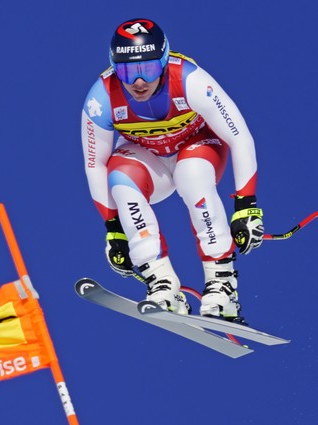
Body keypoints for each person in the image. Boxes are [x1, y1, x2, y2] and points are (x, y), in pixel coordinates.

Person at [80, 18, 264, 322]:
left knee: (191, 175)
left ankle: (222, 285)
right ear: (114, 67)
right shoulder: (101, 99)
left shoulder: (190, 80)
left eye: (148, 69)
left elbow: (239, 136)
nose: (138, 82)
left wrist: (246, 206)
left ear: (164, 62)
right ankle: (162, 284)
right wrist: (114, 230)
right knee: (119, 176)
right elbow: (94, 164)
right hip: (151, 161)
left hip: (198, 147)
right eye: (127, 71)